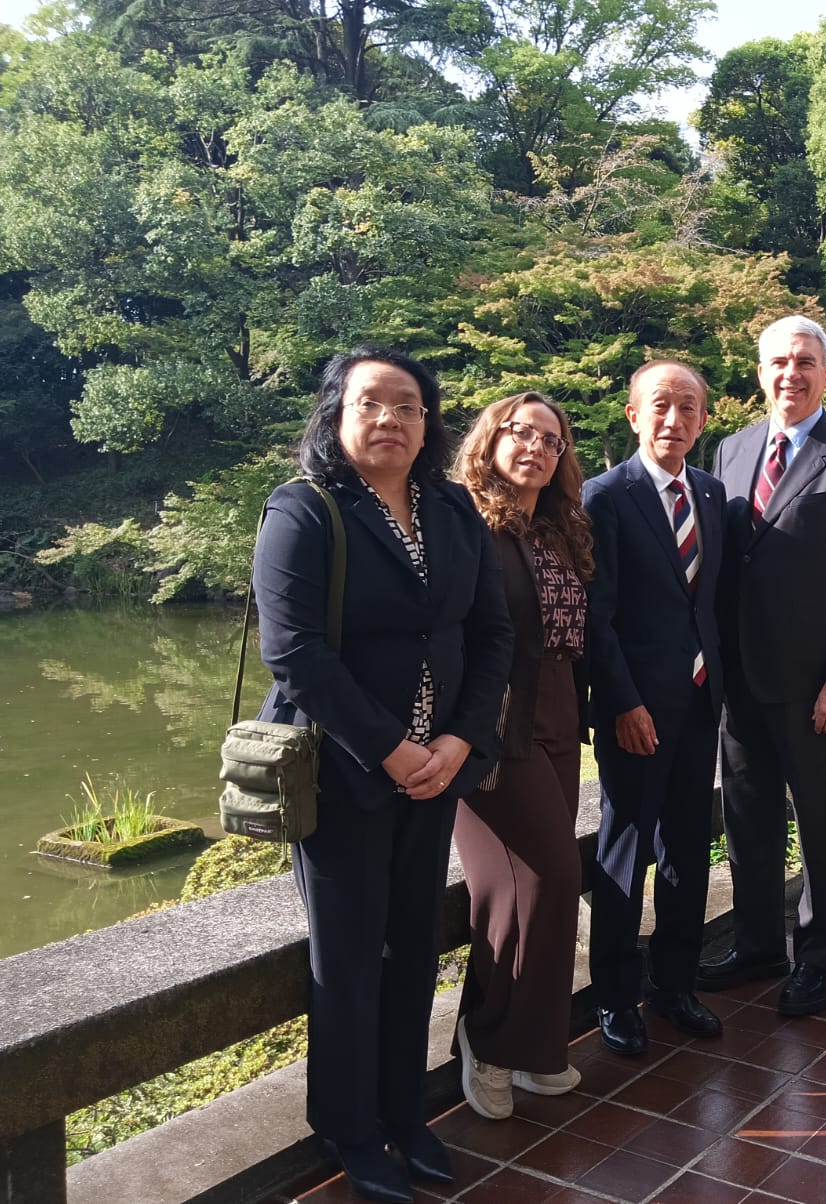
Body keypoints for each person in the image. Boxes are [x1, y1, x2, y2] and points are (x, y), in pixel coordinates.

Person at [254, 347, 512, 1204]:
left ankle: (405, 1112)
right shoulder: (305, 510)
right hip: (344, 775)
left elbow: (491, 633)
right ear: (336, 415)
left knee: (413, 953)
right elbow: (296, 654)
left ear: (429, 423)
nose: (391, 420)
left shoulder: (450, 508)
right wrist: (393, 749)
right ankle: (348, 1128)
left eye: (409, 405)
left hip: (435, 773)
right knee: (349, 958)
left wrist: (460, 743)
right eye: (371, 403)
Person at [698, 315, 826, 1017]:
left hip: (815, 687)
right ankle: (755, 944)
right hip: (739, 683)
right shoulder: (731, 450)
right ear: (760, 373)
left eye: (806, 361)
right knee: (747, 819)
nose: (792, 372)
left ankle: (817, 957)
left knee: (817, 824)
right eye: (778, 361)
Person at [451, 392, 593, 1120]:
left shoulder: (558, 527)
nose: (537, 446)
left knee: (526, 890)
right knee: (551, 875)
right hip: (494, 722)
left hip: (560, 714)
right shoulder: (462, 520)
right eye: (520, 432)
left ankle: (532, 1047)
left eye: (552, 439)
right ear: (490, 439)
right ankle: (490, 1039)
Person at [583, 361, 727, 1056]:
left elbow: (710, 603)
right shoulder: (605, 497)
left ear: (705, 418)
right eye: (661, 406)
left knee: (687, 854)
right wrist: (623, 702)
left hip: (699, 704)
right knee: (625, 851)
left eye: (689, 407)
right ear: (634, 415)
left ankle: (675, 984)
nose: (675, 419)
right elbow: (596, 617)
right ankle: (615, 995)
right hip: (635, 711)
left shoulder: (711, 492)